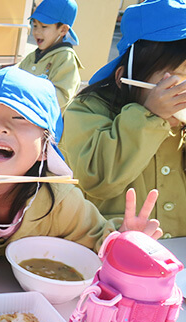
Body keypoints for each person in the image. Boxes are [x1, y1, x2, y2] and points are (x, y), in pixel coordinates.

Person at [0, 66, 161, 289]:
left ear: (45, 149)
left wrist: (124, 242)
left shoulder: (60, 200)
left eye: (20, 118)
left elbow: (97, 245)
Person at [60, 0, 186, 238]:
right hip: (112, 250)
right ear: (125, 76)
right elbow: (97, 179)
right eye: (175, 81)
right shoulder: (87, 110)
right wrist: (149, 118)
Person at [18, 0, 83, 112]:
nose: (37, 32)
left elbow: (62, 96)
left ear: (62, 30)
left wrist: (28, 97)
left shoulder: (66, 58)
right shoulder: (32, 57)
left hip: (46, 124)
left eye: (44, 26)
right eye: (35, 25)